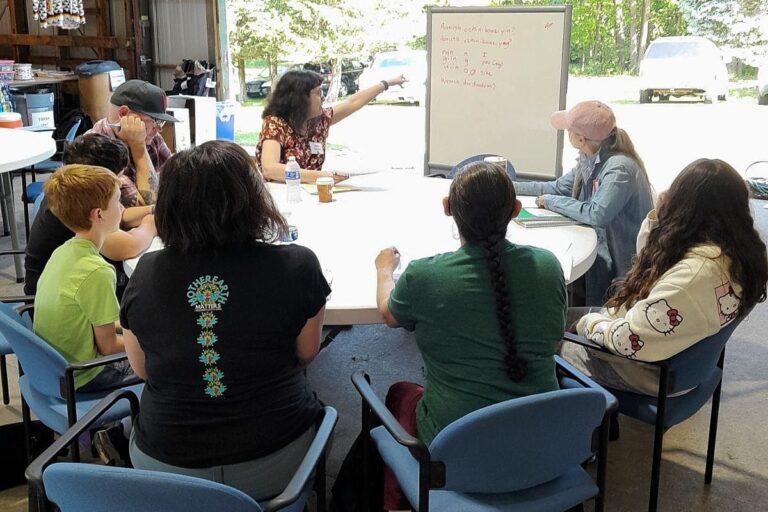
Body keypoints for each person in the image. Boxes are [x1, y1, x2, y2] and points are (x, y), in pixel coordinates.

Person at [120, 141, 330, 500]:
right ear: (254, 199)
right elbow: (306, 353)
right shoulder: (298, 265)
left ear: (170, 205)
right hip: (277, 465)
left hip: (167, 474)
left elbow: (142, 369)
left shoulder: (148, 271)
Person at [373, 161, 567, 510]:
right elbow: (552, 343)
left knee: (400, 393)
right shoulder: (548, 266)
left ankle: (396, 504)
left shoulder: (424, 276)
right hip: (542, 443)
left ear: (447, 208)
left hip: (458, 451)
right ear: (516, 210)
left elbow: (388, 314)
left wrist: (384, 269)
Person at [561, 159, 768, 396]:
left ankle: (565, 410)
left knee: (542, 340)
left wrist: (588, 324)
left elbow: (627, 340)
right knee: (560, 317)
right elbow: (653, 268)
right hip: (675, 355)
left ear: (684, 206)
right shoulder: (736, 252)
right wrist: (657, 220)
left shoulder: (694, 276)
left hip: (646, 370)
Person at [513, 100, 654, 306]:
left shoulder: (619, 168)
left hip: (621, 272)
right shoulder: (589, 160)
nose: (566, 133)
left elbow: (597, 214)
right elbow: (556, 187)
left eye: (568, 130)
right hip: (600, 257)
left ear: (580, 139)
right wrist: (510, 185)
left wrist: (550, 201)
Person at [33, 165, 134, 392]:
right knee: (165, 362)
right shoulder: (97, 271)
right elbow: (108, 347)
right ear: (99, 214)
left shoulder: (64, 251)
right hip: (86, 374)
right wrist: (151, 342)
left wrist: (135, 327)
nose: (122, 207)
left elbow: (95, 319)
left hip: (57, 369)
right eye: (117, 201)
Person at [24, 133, 157, 295]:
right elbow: (128, 247)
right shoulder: (79, 206)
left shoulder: (70, 191)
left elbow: (120, 214)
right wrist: (151, 223)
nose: (121, 182)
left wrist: (154, 210)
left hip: (68, 286)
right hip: (63, 297)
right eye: (118, 177)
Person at [256, 69, 407, 183]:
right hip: (281, 197)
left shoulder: (319, 121)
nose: (323, 97)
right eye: (318, 92)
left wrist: (387, 83)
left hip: (312, 193)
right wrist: (323, 176)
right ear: (299, 98)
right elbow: (270, 169)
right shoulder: (275, 123)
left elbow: (353, 102)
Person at [87, 79, 179, 206]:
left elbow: (175, 177)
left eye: (161, 122)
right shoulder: (96, 150)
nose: (159, 129)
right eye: (155, 121)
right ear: (124, 113)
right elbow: (148, 204)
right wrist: (139, 147)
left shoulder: (152, 137)